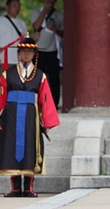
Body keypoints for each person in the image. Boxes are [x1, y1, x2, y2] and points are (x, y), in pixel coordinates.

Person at [0, 37, 59, 197]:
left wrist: (46, 120)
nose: (27, 54)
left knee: (31, 148)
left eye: (30, 51)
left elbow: (45, 98)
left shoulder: (40, 75)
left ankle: (28, 188)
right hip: (11, 116)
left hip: (31, 117)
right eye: (24, 51)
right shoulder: (8, 74)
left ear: (34, 54)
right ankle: (15, 187)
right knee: (11, 147)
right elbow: (1, 96)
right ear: (18, 53)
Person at [30, 0, 64, 108]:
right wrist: (44, 11)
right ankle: (37, 103)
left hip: (53, 51)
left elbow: (64, 33)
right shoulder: (36, 12)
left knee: (54, 79)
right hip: (39, 50)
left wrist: (55, 29)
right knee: (38, 78)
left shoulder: (59, 14)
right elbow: (36, 26)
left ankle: (54, 104)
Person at [0, 0, 29, 70]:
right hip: (4, 60)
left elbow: (26, 40)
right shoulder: (1, 21)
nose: (17, 8)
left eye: (19, 6)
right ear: (7, 7)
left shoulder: (22, 23)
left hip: (19, 61)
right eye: (14, 6)